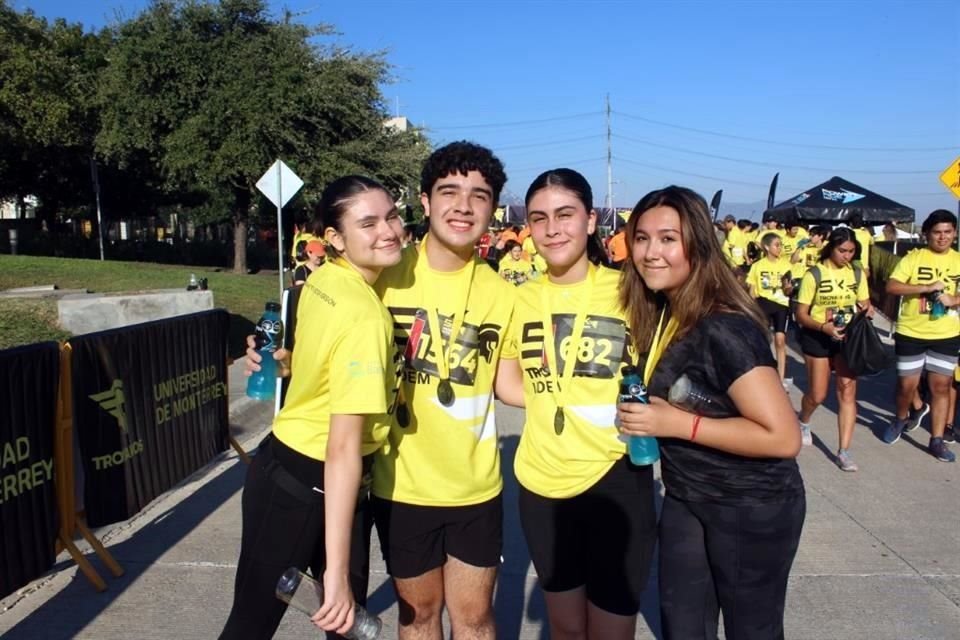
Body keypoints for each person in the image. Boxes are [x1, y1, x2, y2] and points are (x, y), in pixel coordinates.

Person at [246, 143, 515, 640]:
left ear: (494, 208)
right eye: (449, 191)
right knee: (417, 616)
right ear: (426, 200)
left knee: (474, 618)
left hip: (475, 487)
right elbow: (325, 344)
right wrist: (281, 360)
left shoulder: (504, 293)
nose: (463, 205)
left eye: (479, 195)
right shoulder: (379, 276)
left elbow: (509, 381)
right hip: (398, 484)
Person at [616, 185, 804, 640]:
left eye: (667, 238)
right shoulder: (667, 311)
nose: (651, 252)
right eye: (641, 238)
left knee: (751, 630)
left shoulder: (724, 326)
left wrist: (676, 423)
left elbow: (783, 437)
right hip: (687, 494)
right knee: (682, 625)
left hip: (749, 502)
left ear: (697, 244)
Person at [221, 176, 404, 640]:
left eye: (392, 216)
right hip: (308, 479)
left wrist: (280, 365)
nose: (389, 231)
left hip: (299, 470)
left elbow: (314, 368)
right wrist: (336, 575)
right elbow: (341, 446)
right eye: (368, 223)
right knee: (253, 626)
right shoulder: (363, 313)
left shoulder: (322, 281)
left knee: (340, 628)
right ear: (336, 239)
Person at [497, 169, 656, 640]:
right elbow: (508, 384)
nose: (552, 229)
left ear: (590, 220)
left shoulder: (633, 289)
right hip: (542, 484)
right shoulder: (518, 298)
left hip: (617, 480)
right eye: (540, 218)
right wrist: (555, 399)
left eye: (565, 215)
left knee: (611, 631)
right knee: (565, 630)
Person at [881, 209, 960, 462]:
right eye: (937, 232)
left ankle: (936, 440)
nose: (942, 237)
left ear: (955, 233)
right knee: (907, 386)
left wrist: (954, 299)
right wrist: (925, 287)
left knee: (942, 387)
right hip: (911, 331)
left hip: (946, 333)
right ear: (926, 234)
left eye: (948, 232)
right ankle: (901, 418)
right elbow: (892, 286)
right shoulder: (914, 258)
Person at [794, 227, 873, 467]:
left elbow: (865, 302)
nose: (846, 256)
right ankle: (804, 421)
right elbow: (801, 314)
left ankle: (844, 451)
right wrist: (822, 328)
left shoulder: (857, 274)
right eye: (842, 250)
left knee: (847, 391)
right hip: (818, 335)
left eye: (851, 251)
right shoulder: (814, 274)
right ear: (831, 247)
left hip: (847, 338)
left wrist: (865, 310)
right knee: (817, 394)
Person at [746, 232, 794, 384]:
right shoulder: (757, 266)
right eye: (776, 245)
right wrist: (751, 308)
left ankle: (780, 378)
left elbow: (788, 290)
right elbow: (752, 290)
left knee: (780, 340)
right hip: (763, 304)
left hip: (781, 304)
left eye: (780, 245)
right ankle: (762, 374)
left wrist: (789, 288)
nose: (779, 248)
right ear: (767, 247)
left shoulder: (786, 264)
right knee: (762, 339)